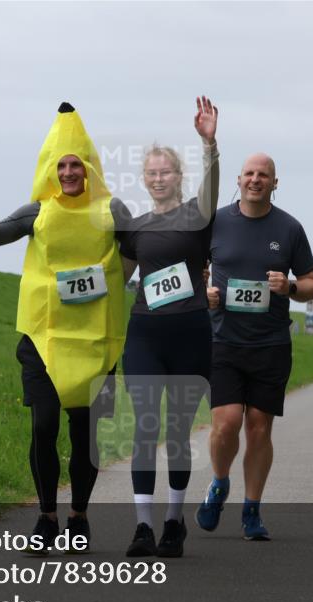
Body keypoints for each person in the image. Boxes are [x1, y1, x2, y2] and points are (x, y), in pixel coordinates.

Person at [0, 103, 129, 553]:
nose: (69, 171)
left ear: (90, 168)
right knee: (43, 428)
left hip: (95, 342)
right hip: (42, 338)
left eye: (76, 164)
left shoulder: (112, 210)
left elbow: (144, 246)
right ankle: (45, 517)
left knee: (85, 435)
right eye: (61, 165)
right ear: (50, 170)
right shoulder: (37, 210)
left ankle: (78, 517)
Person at [197, 153, 313, 540]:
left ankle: (252, 510)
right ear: (238, 179)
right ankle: (219, 482)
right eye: (249, 173)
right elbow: (191, 270)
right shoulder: (215, 222)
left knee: (259, 428)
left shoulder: (289, 228)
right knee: (226, 423)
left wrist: (292, 287)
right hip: (222, 341)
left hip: (270, 344)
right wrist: (206, 293)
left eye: (263, 175)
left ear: (274, 182)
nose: (255, 180)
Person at [122, 97, 219, 559]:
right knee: (145, 427)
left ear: (178, 177)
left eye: (166, 172)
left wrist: (209, 145)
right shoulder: (136, 228)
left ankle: (174, 522)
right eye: (152, 173)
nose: (158, 178)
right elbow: (115, 280)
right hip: (143, 334)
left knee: (178, 431)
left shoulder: (198, 216)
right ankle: (143, 526)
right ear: (146, 179)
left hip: (190, 334)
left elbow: (213, 191)